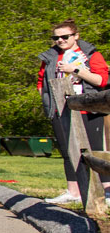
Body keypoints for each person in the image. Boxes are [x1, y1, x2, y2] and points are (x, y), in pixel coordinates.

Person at [38, 19, 109, 204]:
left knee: (95, 151)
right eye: (56, 38)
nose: (60, 41)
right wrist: (48, 101)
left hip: (89, 110)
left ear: (76, 36)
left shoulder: (91, 55)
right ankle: (74, 192)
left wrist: (75, 70)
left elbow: (101, 80)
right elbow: (41, 83)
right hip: (61, 110)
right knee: (67, 151)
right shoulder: (50, 58)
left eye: (65, 37)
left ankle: (106, 191)